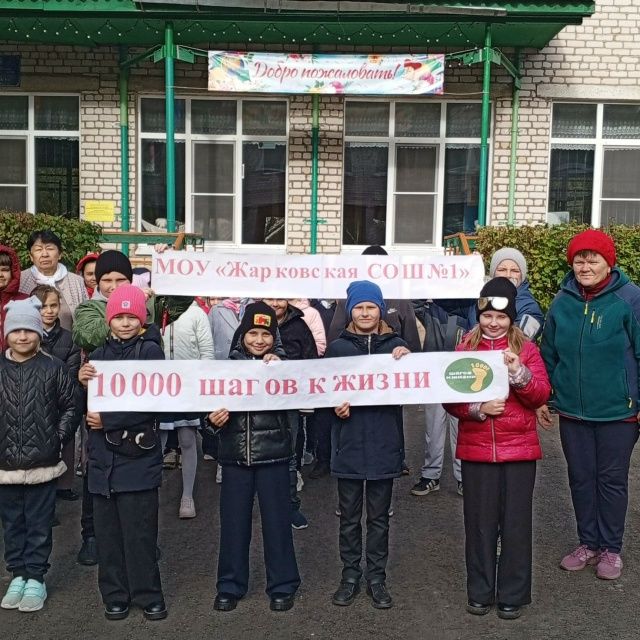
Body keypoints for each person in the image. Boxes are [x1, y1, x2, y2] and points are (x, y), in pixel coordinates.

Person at [445, 277, 550, 620]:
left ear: (511, 317)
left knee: (516, 525)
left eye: (501, 317)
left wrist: (518, 371)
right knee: (479, 524)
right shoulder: (465, 348)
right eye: (487, 315)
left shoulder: (527, 349)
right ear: (479, 315)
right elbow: (450, 398)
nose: (493, 322)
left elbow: (541, 394)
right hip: (477, 451)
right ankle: (479, 592)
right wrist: (478, 409)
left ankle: (512, 595)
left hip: (519, 451)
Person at [538, 229, 640, 580]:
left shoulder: (629, 299)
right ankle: (588, 543)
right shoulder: (562, 301)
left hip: (618, 411)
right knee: (580, 478)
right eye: (578, 260)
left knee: (611, 480)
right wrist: (544, 396)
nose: (584, 266)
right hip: (573, 411)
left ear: (608, 263)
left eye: (592, 259)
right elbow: (548, 353)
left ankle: (611, 548)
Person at [79, 285, 167, 621]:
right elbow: (84, 407)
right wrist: (81, 382)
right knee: (108, 535)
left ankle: (148, 594)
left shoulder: (150, 352)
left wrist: (110, 420)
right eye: (119, 316)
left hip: (138, 456)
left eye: (132, 316)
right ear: (109, 319)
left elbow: (154, 402)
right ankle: (114, 594)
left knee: (139, 532)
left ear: (142, 319)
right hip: (103, 461)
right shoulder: (98, 355)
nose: (126, 323)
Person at [207, 302, 300, 613]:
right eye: (253, 333)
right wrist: (212, 421)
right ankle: (229, 585)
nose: (259, 340)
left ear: (275, 337)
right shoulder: (225, 370)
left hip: (274, 455)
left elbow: (305, 396)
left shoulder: (285, 366)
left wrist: (282, 368)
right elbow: (207, 412)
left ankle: (283, 585)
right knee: (233, 525)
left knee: (278, 524)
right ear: (242, 335)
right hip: (235, 457)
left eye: (266, 334)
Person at [325, 281, 410, 610]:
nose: (364, 313)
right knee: (348, 518)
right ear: (350, 311)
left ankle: (377, 578)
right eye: (358, 307)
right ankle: (349, 575)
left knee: (379, 518)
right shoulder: (337, 349)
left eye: (370, 307)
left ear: (380, 310)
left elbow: (413, 388)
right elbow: (321, 394)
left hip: (384, 443)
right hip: (348, 444)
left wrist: (408, 361)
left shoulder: (397, 346)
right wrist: (334, 406)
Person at [0, 297, 80, 612]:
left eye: (28, 330)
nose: (22, 336)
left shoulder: (53, 368)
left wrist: (57, 437)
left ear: (39, 333)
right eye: (16, 330)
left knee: (38, 522)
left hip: (43, 463)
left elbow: (71, 405)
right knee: (12, 523)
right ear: (7, 333)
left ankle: (35, 577)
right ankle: (17, 574)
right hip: (5, 465)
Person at [72, 249, 140, 567]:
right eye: (107, 280)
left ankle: (136, 538)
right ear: (97, 282)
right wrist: (130, 311)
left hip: (137, 405)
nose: (113, 286)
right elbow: (88, 334)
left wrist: (170, 264)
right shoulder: (88, 308)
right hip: (99, 402)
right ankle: (92, 534)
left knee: (134, 469)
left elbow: (178, 307)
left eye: (121, 280)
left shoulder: (145, 303)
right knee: (96, 467)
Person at [157, 295, 214, 519]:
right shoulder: (156, 309)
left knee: (188, 440)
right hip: (159, 386)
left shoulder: (196, 313)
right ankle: (150, 493)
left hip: (187, 385)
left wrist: (203, 384)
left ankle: (187, 496)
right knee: (157, 441)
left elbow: (206, 352)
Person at [264, 298, 318, 530]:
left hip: (289, 401)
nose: (275, 303)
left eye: (280, 298)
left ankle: (290, 507)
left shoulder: (299, 325)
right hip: (256, 402)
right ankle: (265, 506)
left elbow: (311, 361)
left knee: (289, 454)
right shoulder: (251, 321)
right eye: (270, 298)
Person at [31, 285, 82, 502]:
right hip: (33, 402)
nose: (49, 311)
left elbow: (71, 373)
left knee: (65, 440)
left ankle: (64, 485)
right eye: (43, 307)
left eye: (53, 305)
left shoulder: (69, 338)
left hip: (61, 401)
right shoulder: (26, 336)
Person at [19, 230, 87, 330]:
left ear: (60, 254)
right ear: (31, 256)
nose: (45, 254)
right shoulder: (20, 280)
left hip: (69, 339)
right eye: (38, 249)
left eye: (50, 249)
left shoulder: (76, 281)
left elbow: (85, 318)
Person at [0, 244, 28, 351]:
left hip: (17, 359)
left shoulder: (25, 301)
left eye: (5, 270)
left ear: (13, 272)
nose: (0, 274)